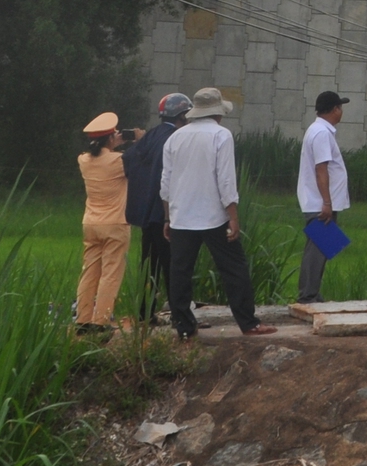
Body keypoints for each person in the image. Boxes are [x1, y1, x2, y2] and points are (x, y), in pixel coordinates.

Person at [159, 87, 277, 339]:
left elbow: (166, 183)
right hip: (213, 216)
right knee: (234, 268)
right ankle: (248, 322)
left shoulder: (175, 138)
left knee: (180, 272)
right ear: (217, 113)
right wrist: (233, 216)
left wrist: (167, 217)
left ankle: (184, 326)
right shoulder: (221, 136)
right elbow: (225, 180)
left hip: (181, 216)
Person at [123, 92, 191, 322]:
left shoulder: (151, 136)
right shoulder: (176, 138)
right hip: (165, 213)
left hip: (145, 214)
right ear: (183, 115)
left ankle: (145, 313)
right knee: (173, 265)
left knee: (149, 265)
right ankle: (179, 315)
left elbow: (129, 159)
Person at [76, 111, 137, 332]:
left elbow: (100, 152)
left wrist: (113, 140)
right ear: (111, 138)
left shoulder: (83, 160)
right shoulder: (119, 160)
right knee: (110, 274)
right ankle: (100, 321)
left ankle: (82, 319)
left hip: (90, 223)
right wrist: (136, 138)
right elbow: (139, 158)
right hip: (115, 223)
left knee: (89, 272)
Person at [295, 89, 351, 302]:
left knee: (322, 247)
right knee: (317, 249)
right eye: (340, 107)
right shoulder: (321, 133)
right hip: (320, 203)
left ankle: (311, 292)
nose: (341, 112)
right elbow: (321, 170)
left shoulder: (320, 130)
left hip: (320, 201)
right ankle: (308, 294)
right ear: (334, 109)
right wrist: (326, 202)